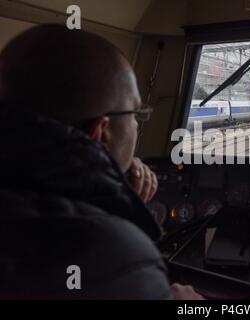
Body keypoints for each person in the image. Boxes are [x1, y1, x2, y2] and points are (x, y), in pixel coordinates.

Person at [0, 24, 202, 300]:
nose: (137, 124)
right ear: (101, 132)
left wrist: (108, 192)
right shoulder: (120, 259)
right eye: (136, 114)